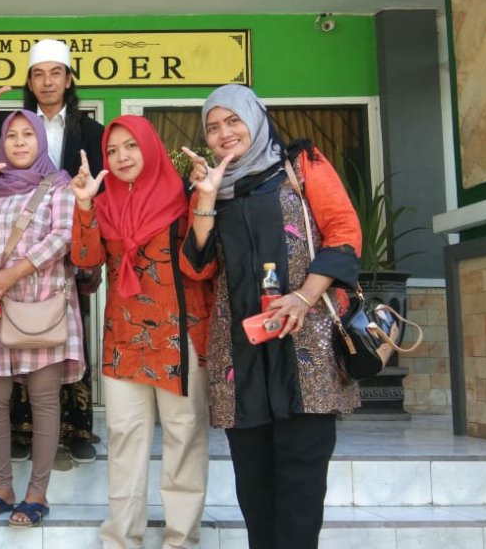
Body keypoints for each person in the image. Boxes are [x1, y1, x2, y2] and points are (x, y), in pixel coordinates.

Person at [180, 84, 362, 549]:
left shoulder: (301, 165)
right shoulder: (211, 185)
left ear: (256, 118)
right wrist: (206, 198)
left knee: (301, 485)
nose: (224, 133)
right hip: (241, 352)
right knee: (254, 486)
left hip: (305, 343)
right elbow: (196, 267)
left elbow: (344, 231)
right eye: (213, 127)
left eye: (233, 120)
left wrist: (303, 296)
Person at [69, 115, 211, 549]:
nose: (122, 156)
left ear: (149, 147)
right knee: (124, 439)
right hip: (123, 340)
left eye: (131, 146)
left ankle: (180, 540)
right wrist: (85, 206)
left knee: (183, 438)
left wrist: (204, 200)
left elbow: (201, 265)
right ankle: (122, 538)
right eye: (112, 150)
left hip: (179, 336)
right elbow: (86, 260)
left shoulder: (183, 197)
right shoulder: (105, 202)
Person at [0, 38, 104, 463]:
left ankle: (77, 430)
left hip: (68, 256)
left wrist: (94, 247)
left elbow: (101, 192)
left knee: (61, 335)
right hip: (12, 266)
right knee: (12, 345)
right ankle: (21, 433)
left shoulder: (92, 132)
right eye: (39, 75)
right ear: (29, 82)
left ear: (68, 80)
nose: (47, 82)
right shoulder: (8, 127)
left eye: (55, 73)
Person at [0, 110, 84, 527]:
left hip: (40, 305)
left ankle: (37, 494)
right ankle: (3, 489)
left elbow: (63, 238)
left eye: (29, 134)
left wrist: (12, 274)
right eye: (12, 136)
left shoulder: (58, 185)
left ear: (41, 141)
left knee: (44, 400)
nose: (20, 142)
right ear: (2, 145)